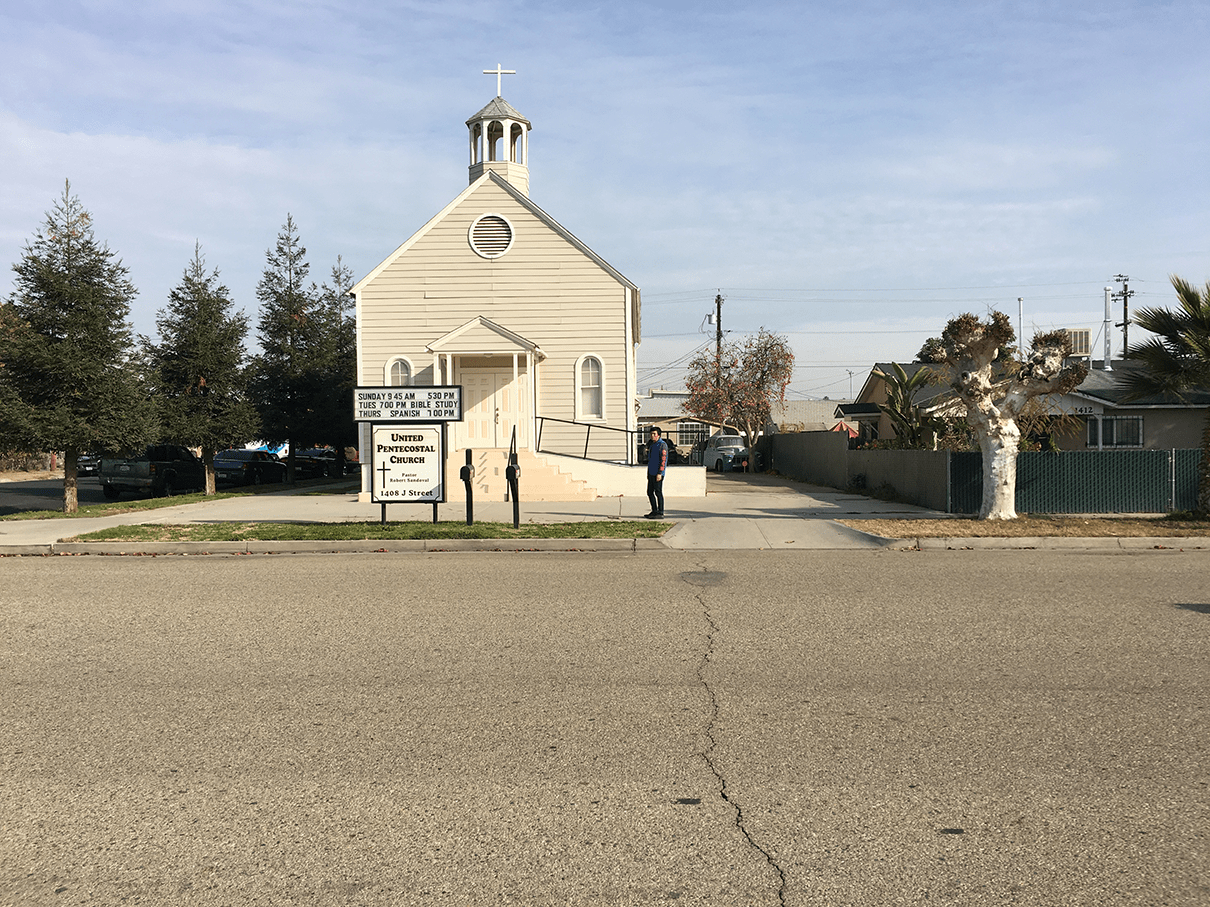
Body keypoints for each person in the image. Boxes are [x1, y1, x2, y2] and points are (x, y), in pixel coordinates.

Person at [645, 426, 668, 518]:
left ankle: (660, 512)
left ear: (658, 435)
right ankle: (654, 510)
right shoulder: (651, 445)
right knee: (650, 492)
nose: (652, 436)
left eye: (654, 434)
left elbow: (663, 460)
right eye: (651, 434)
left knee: (658, 492)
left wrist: (660, 473)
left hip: (658, 473)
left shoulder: (662, 445)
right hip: (651, 472)